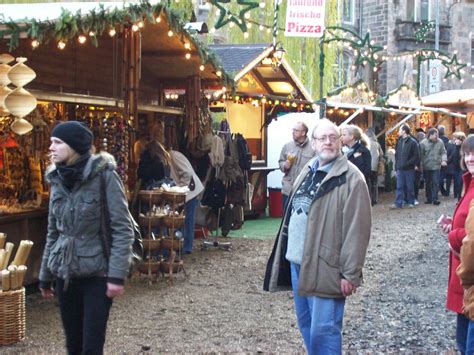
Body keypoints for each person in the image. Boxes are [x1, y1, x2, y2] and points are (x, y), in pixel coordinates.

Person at [264, 118, 371, 354]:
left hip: (327, 265)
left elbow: (358, 229)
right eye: (322, 138)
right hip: (298, 262)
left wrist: (350, 273)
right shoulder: (308, 168)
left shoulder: (352, 178)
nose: (328, 142)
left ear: (341, 142)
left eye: (333, 138)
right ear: (313, 143)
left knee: (324, 330)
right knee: (307, 326)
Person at [39, 121, 134, 354]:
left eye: (58, 142)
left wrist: (116, 276)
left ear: (74, 146)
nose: (51, 147)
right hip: (65, 274)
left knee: (91, 346)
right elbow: (53, 231)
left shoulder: (104, 177)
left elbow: (123, 228)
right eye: (51, 141)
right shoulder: (57, 180)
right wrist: (45, 275)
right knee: (73, 345)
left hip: (97, 274)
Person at [441, 135, 474, 354]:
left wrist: (454, 235)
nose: (470, 158)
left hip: (470, 277)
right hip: (464, 274)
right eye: (467, 153)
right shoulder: (469, 182)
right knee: (463, 342)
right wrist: (453, 225)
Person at [169, 148, 204, 254]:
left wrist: (180, 189)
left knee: (188, 219)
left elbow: (187, 174)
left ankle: (186, 247)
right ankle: (183, 245)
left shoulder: (173, 156)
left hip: (189, 190)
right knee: (185, 219)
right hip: (187, 190)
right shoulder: (173, 156)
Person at [278, 121, 315, 212]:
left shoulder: (313, 148)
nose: (293, 132)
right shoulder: (287, 146)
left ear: (303, 133)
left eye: (296, 130)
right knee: (286, 218)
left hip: (304, 190)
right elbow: (280, 162)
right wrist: (285, 165)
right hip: (288, 189)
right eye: (293, 130)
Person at [391, 124, 420, 209]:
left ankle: (411, 201)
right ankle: (398, 202)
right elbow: (397, 155)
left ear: (404, 131)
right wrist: (396, 166)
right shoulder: (399, 141)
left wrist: (409, 163)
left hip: (408, 168)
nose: (399, 132)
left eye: (400, 130)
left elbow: (416, 155)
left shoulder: (413, 142)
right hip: (400, 168)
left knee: (409, 186)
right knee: (399, 186)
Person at [420, 128, 447, 205]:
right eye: (435, 135)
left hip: (436, 166)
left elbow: (443, 152)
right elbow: (421, 155)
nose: (436, 137)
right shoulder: (423, 143)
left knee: (435, 182)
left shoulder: (440, 142)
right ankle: (429, 198)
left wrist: (444, 160)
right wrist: (420, 165)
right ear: (430, 135)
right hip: (427, 166)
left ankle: (435, 199)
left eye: (437, 135)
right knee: (428, 183)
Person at [446, 132, 466, 199]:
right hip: (456, 167)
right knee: (457, 183)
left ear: (461, 140)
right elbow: (453, 157)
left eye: (457, 139)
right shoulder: (455, 147)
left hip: (462, 168)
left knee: (459, 182)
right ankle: (458, 197)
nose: (455, 140)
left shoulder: (464, 148)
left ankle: (460, 197)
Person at [366, 127, 383, 205]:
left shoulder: (366, 143)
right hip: (375, 166)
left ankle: (368, 199)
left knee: (368, 183)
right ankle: (375, 199)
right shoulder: (377, 144)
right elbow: (381, 154)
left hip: (368, 166)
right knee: (375, 183)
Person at [438, 125, 450, 196]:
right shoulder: (446, 139)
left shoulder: (442, 139)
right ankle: (442, 189)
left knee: (440, 176)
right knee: (441, 176)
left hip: (441, 160)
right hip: (442, 160)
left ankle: (440, 189)